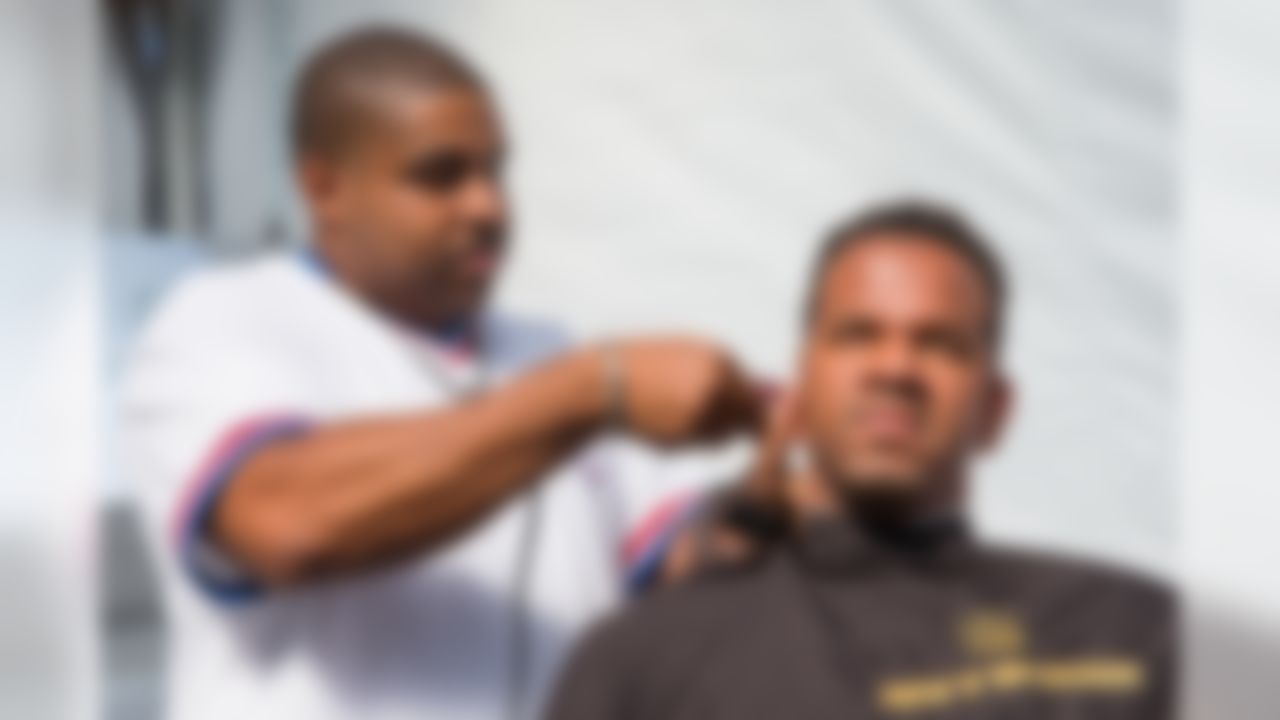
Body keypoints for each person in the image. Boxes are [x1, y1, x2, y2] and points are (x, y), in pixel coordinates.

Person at [120, 27, 763, 720]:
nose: (489, 206)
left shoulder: (551, 350)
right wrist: (584, 393)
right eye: (441, 174)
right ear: (324, 187)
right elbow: (285, 525)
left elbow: (683, 580)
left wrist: (778, 486)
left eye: (495, 170)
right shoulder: (226, 320)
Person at [547, 200, 1177, 719]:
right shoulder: (646, 658)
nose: (895, 367)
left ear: (994, 409)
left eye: (940, 344)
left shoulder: (1131, 630)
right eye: (858, 334)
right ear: (797, 389)